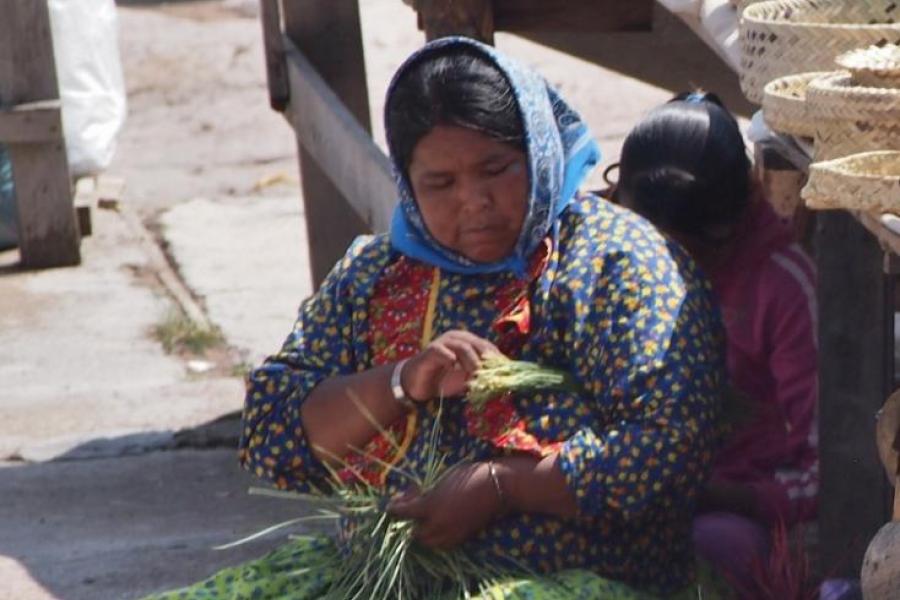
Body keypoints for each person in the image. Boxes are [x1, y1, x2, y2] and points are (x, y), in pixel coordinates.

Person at [148, 39, 726, 599]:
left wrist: (500, 488)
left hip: (585, 584)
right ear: (407, 180)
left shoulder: (616, 264)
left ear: (538, 150)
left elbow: (668, 446)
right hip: (378, 582)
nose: (473, 201)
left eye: (495, 169)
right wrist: (401, 381)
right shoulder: (373, 273)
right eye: (440, 183)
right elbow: (272, 433)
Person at [616, 92, 819, 594]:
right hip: (624, 484)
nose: (662, 271)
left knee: (706, 549)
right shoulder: (613, 259)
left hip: (731, 513)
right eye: (652, 248)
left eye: (686, 254)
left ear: (739, 215)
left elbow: (823, 470)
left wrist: (716, 496)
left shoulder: (783, 288)